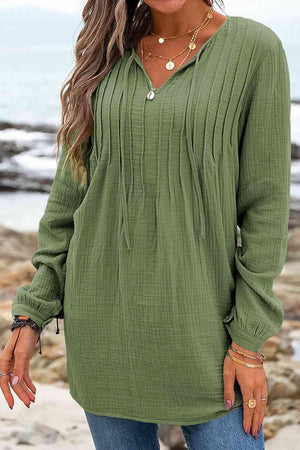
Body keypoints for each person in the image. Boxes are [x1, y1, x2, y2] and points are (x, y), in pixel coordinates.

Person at [0, 0, 291, 448]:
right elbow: (68, 201)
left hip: (205, 336)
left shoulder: (254, 50)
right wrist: (30, 313)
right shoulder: (105, 53)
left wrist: (248, 343)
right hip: (102, 331)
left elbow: (265, 208)